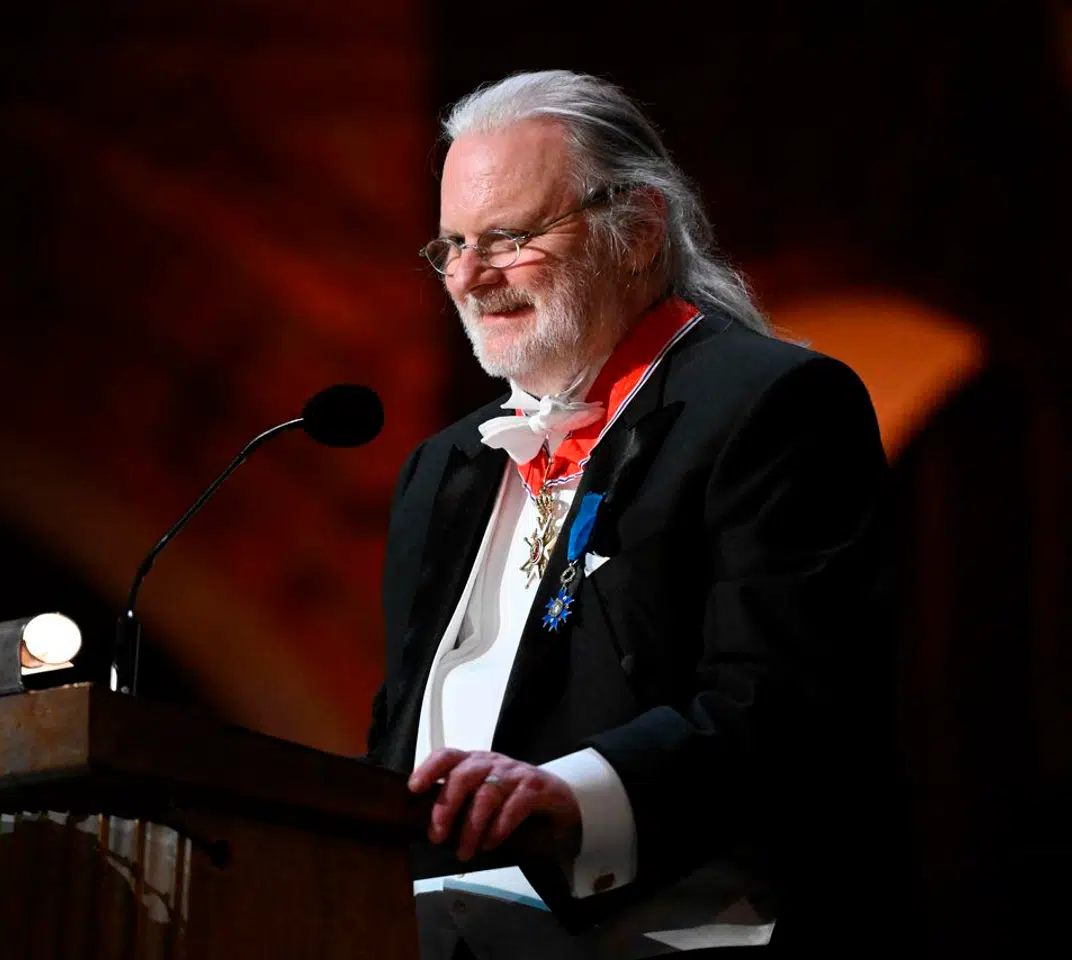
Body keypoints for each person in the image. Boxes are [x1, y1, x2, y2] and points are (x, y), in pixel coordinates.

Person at [365, 70, 891, 958]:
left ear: (638, 231)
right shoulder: (442, 468)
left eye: (510, 237)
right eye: (450, 243)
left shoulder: (772, 405)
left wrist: (574, 798)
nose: (469, 277)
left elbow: (783, 700)